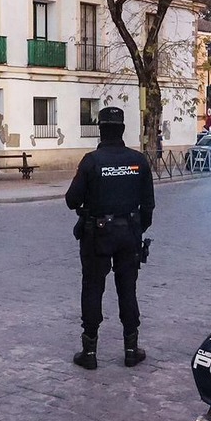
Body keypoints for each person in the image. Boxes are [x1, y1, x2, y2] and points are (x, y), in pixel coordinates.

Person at [65, 106, 155, 370]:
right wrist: (137, 229)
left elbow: (72, 200)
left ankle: (89, 352)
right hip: (129, 234)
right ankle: (130, 349)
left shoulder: (91, 161)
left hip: (97, 235)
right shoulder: (138, 161)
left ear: (100, 130)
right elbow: (148, 206)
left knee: (93, 288)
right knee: (128, 289)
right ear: (123, 130)